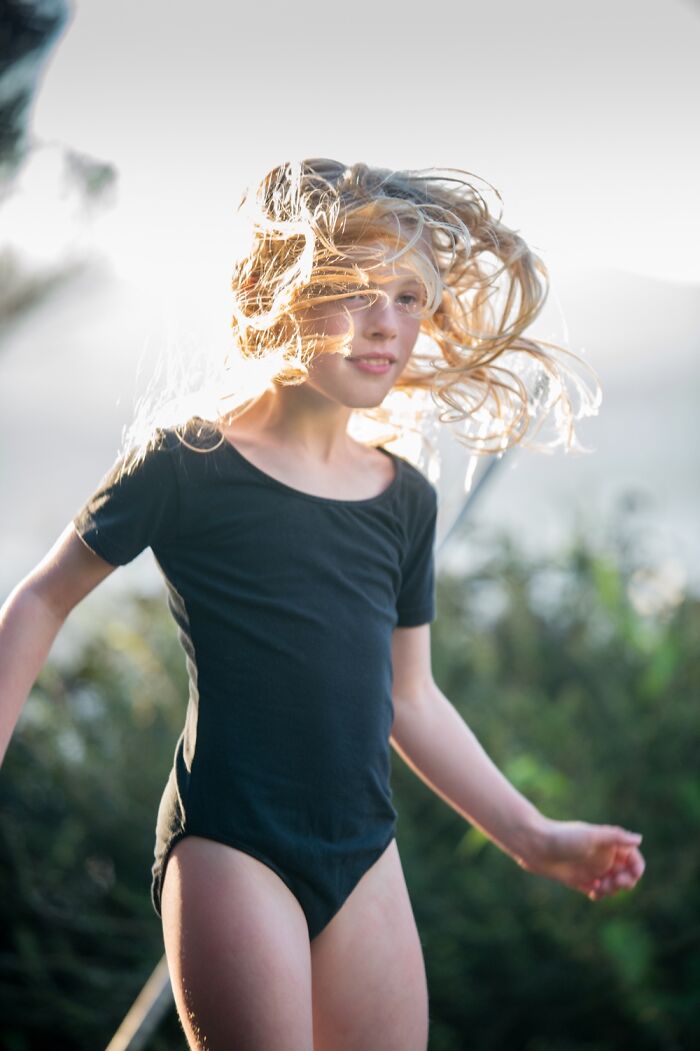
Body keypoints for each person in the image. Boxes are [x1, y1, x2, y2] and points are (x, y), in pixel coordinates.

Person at [0, 159, 645, 1051]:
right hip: (231, 845)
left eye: (412, 297)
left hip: (364, 852)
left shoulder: (404, 500)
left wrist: (534, 838)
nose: (388, 322)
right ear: (280, 291)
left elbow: (409, 697)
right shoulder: (187, 462)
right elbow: (39, 600)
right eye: (357, 291)